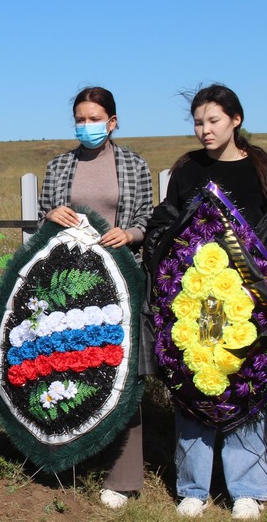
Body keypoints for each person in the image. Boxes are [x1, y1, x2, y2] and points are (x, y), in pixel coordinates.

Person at [146, 84, 267, 520]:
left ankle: (247, 489)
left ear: (235, 119)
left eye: (213, 120)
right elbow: (166, 219)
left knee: (244, 382)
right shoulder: (188, 170)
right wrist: (173, 259)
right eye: (198, 122)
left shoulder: (260, 168)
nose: (204, 130)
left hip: (250, 300)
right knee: (195, 378)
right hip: (194, 300)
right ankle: (192, 487)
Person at [38, 86, 154, 509]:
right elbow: (44, 218)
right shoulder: (59, 167)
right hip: (68, 282)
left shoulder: (134, 165)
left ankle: (122, 476)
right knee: (68, 366)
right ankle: (70, 460)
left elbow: (146, 217)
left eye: (94, 118)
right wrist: (50, 216)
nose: (86, 126)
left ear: (113, 121)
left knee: (123, 372)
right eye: (80, 118)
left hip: (120, 278)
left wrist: (131, 233)